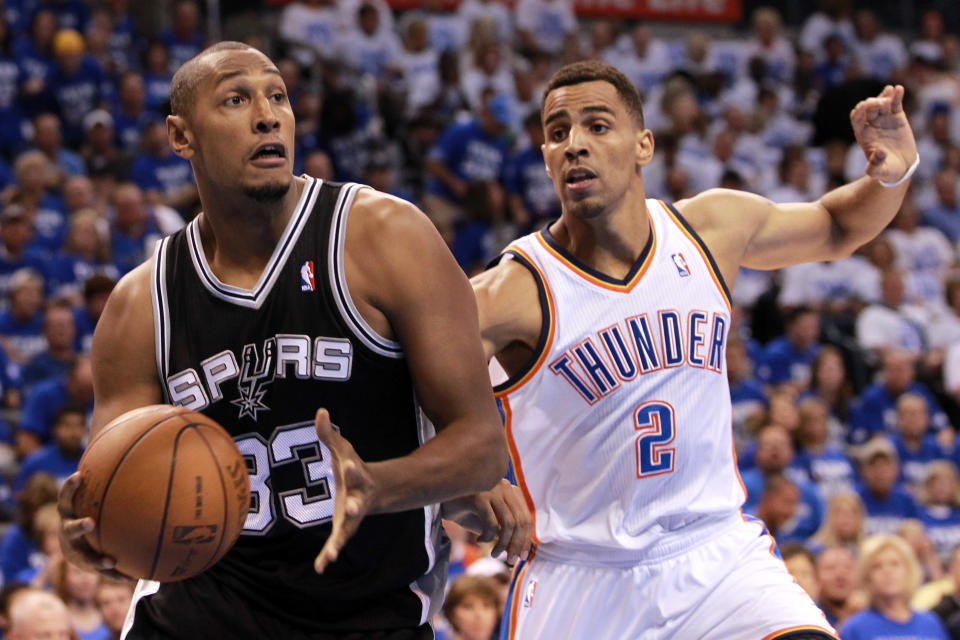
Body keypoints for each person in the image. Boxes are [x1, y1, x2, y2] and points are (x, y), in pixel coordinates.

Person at [57, 41, 523, 639]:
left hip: (367, 615)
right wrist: (94, 532)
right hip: (196, 618)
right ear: (181, 136)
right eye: (235, 98)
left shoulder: (385, 238)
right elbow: (112, 485)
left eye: (278, 95)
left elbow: (481, 446)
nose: (267, 114)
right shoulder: (140, 305)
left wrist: (383, 486)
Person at [472, 59, 918, 638]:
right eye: (558, 133)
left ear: (644, 145)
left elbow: (836, 227)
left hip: (717, 556)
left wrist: (892, 174)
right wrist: (472, 477)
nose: (575, 145)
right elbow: (400, 379)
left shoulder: (711, 227)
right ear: (546, 158)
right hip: (584, 577)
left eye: (597, 126)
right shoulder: (513, 289)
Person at [839, 534, 948, 639]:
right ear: (867, 577)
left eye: (895, 564)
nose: (887, 571)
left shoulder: (930, 623)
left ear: (909, 571)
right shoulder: (855, 628)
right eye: (877, 566)